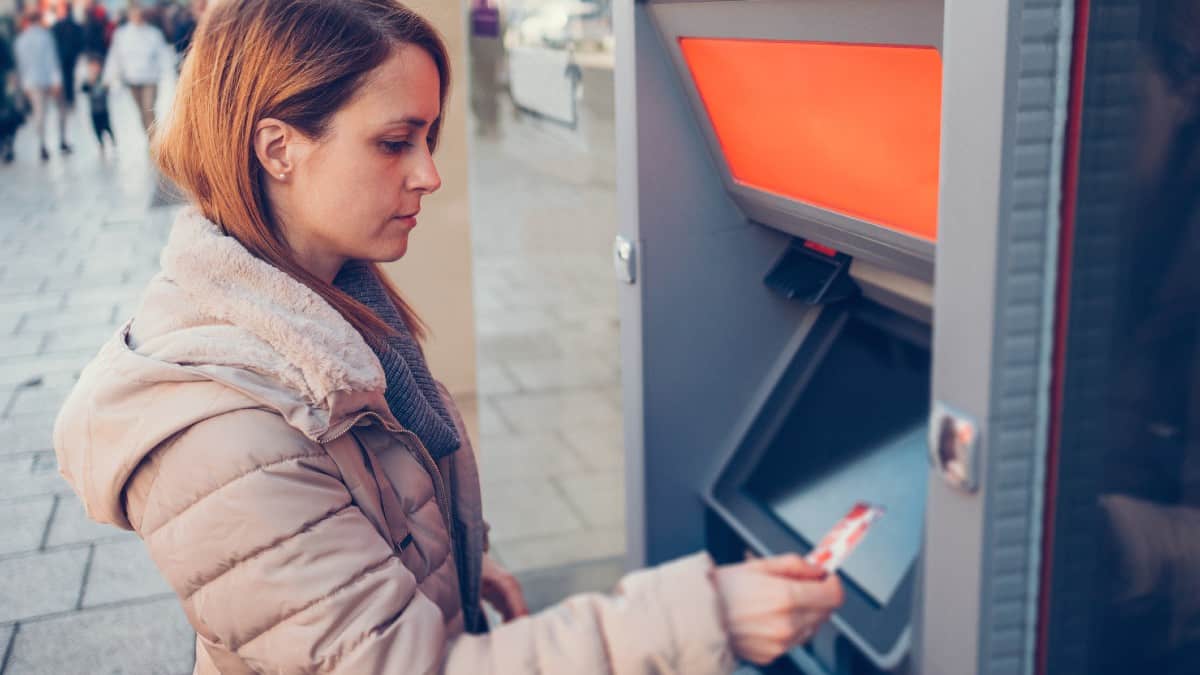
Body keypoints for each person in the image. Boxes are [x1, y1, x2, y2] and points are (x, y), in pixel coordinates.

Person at [52, 1, 843, 672]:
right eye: (396, 142)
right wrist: (703, 618)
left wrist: (450, 562)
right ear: (278, 148)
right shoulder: (228, 432)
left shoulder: (334, 307)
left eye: (428, 138)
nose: (428, 173)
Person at [103, 3, 166, 136]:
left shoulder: (153, 33)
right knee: (141, 112)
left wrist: (164, 72)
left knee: (148, 109)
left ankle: (155, 141)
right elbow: (115, 56)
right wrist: (109, 77)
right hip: (132, 79)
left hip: (150, 78)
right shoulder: (122, 34)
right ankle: (150, 137)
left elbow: (162, 55)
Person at [12, 9, 66, 160]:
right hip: (48, 79)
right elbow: (52, 59)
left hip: (32, 82)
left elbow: (21, 66)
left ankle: (42, 143)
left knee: (39, 114)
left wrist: (25, 85)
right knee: (59, 110)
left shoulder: (20, 41)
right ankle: (61, 139)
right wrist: (56, 80)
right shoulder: (45, 37)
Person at [50, 4, 85, 147]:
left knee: (68, 82)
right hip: (65, 63)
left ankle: (69, 98)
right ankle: (69, 98)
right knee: (67, 82)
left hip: (66, 62)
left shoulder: (59, 27)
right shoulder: (60, 26)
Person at [79, 52, 113, 154]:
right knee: (97, 129)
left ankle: (113, 142)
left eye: (96, 66)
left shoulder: (103, 79)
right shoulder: (88, 81)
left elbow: (108, 89)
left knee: (108, 127)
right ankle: (101, 144)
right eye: (92, 67)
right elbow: (83, 89)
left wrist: (106, 87)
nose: (94, 69)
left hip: (104, 110)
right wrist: (89, 82)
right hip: (94, 112)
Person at [0, 18, 22, 163]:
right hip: (4, 83)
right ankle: (6, 142)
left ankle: (6, 142)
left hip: (3, 84)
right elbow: (10, 63)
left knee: (7, 113)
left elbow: (10, 63)